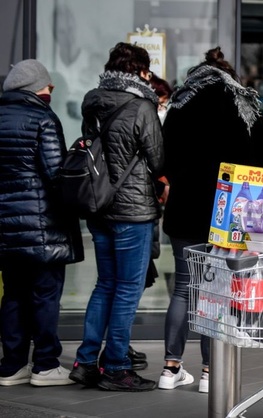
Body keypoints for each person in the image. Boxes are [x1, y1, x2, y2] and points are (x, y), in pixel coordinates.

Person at [160, 46, 263, 392]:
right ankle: (208, 373)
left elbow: (162, 159)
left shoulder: (180, 106)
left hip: (184, 210)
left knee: (184, 288)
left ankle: (170, 369)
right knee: (215, 293)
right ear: (230, 76)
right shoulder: (244, 105)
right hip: (227, 215)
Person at [68, 42, 164, 392]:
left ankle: (85, 361)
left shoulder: (92, 100)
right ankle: (117, 367)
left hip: (99, 205)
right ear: (140, 71)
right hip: (132, 211)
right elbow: (158, 160)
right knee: (126, 290)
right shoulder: (142, 106)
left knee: (105, 284)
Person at [0, 59, 84, 387]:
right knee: (46, 294)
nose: (51, 90)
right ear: (37, 86)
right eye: (49, 85)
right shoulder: (42, 117)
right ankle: (46, 365)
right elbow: (54, 174)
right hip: (41, 226)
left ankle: (12, 365)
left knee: (14, 295)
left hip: (5, 226)